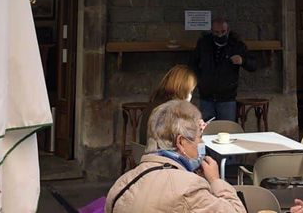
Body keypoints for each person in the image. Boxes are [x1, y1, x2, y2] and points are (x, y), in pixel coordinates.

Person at [106, 100, 245, 213]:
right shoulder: (189, 187)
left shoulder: (121, 184)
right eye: (199, 137)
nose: (202, 143)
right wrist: (215, 180)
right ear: (181, 142)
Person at [190, 18, 255, 122]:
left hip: (227, 97)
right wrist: (200, 80)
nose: (220, 35)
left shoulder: (236, 45)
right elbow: (193, 63)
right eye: (216, 32)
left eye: (223, 32)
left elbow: (253, 65)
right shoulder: (204, 44)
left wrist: (243, 61)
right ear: (211, 31)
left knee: (227, 130)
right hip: (206, 95)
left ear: (228, 30)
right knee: (207, 131)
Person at [139, 64, 199, 144]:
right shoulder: (171, 111)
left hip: (146, 153)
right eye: (190, 91)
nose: (190, 96)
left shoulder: (156, 101)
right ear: (182, 89)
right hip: (161, 155)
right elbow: (182, 145)